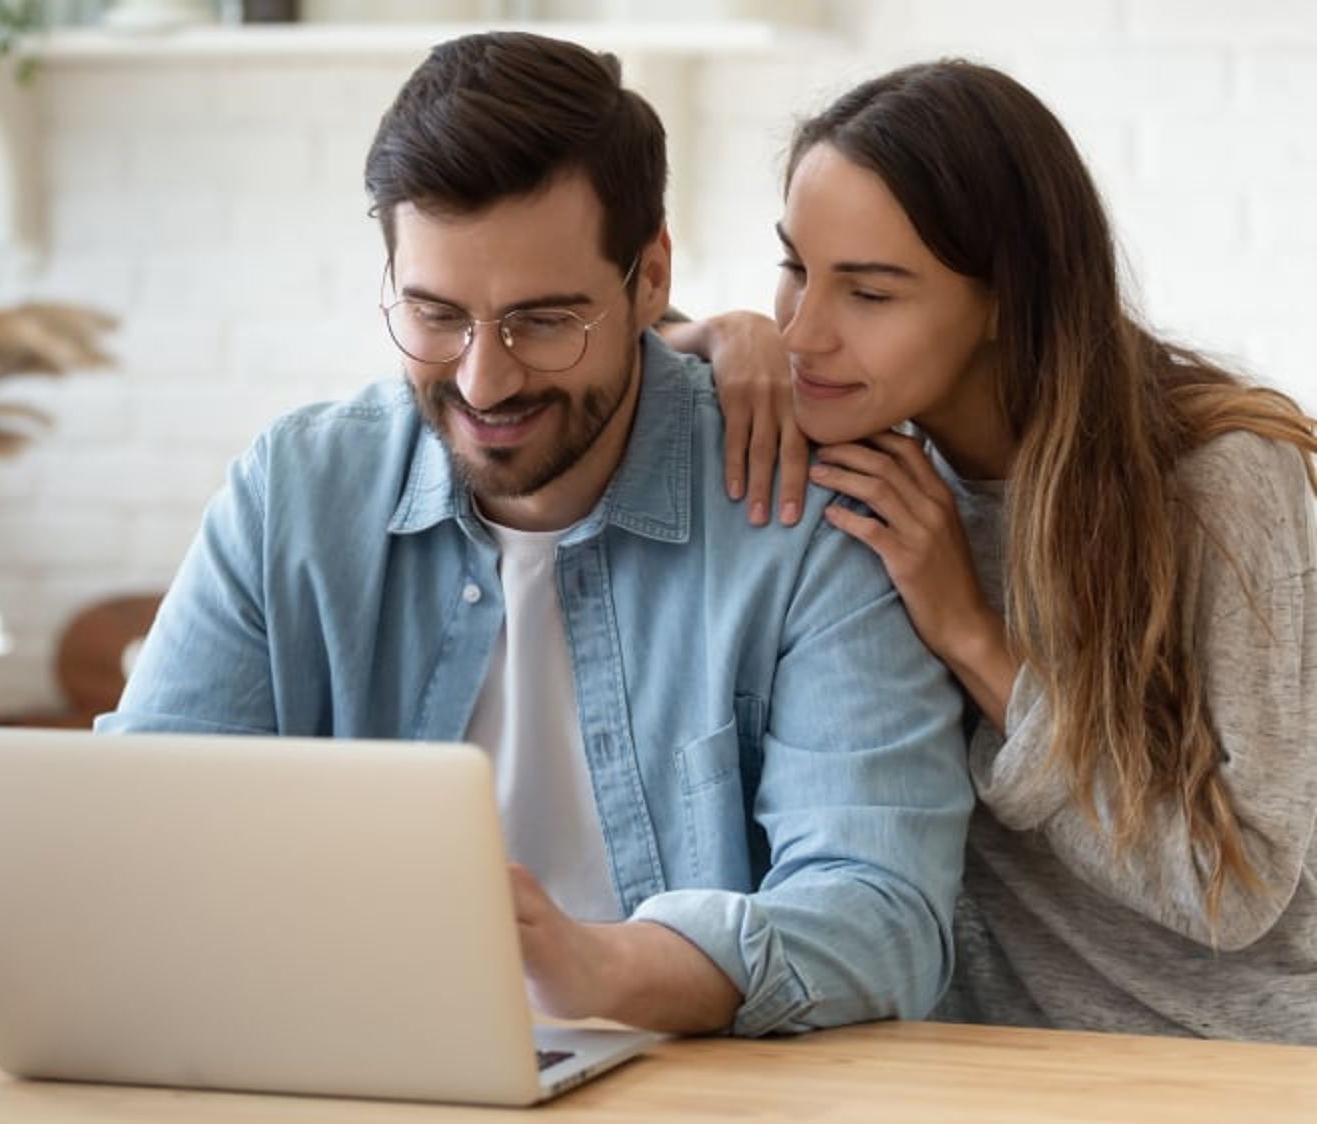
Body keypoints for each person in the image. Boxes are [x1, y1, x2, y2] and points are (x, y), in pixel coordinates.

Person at [97, 32, 973, 1038]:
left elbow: (884, 916)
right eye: (436, 316)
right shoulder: (291, 494)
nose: (484, 381)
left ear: (651, 278)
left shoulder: (804, 514)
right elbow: (141, 836)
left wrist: (596, 965)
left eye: (544, 322)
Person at [673, 59, 1317, 1043]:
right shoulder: (856, 440)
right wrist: (711, 332)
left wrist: (971, 631)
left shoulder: (1224, 477)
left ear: (1006, 302)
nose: (803, 331)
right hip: (970, 1056)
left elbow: (1238, 887)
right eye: (795, 267)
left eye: (870, 293)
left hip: (1224, 1058)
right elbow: (581, 345)